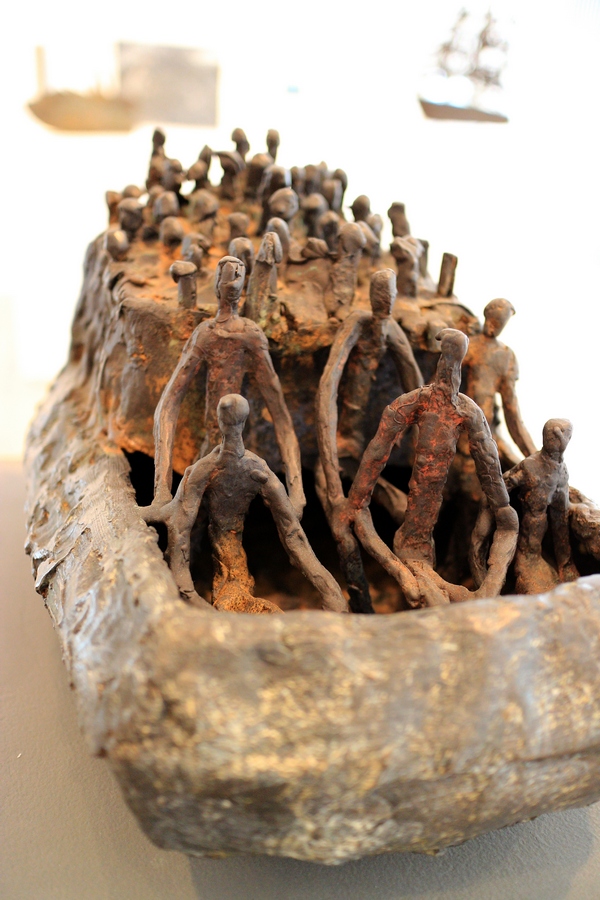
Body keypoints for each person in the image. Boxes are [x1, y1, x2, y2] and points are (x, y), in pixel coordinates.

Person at [343, 329, 518, 608]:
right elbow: (375, 454)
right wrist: (355, 503)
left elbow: (490, 468)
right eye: (447, 359)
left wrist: (504, 511)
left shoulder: (467, 411)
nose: (450, 369)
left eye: (454, 359)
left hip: (422, 537)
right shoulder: (416, 402)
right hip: (412, 538)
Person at [142, 394, 347, 614]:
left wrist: (188, 594)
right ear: (245, 422)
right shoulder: (256, 469)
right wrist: (331, 592)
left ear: (219, 421)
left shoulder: (204, 470)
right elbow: (294, 536)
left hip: (230, 571)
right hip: (229, 571)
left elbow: (180, 537)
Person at [151, 256, 305, 518]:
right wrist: (161, 490)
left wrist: (297, 491)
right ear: (217, 284)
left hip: (238, 454)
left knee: (226, 520)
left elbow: (280, 414)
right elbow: (168, 404)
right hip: (212, 450)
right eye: (229, 276)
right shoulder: (206, 334)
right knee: (193, 520)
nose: (234, 281)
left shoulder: (250, 334)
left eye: (238, 275)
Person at [315, 268, 423, 612]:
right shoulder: (359, 323)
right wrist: (328, 452)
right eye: (380, 294)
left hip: (368, 448)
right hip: (341, 443)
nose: (385, 302)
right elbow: (329, 382)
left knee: (402, 510)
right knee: (345, 523)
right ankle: (360, 599)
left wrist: (417, 434)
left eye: (389, 295)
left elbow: (415, 382)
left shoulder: (391, 329)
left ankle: (415, 583)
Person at [501, 418, 578, 593]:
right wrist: (501, 510)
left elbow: (561, 518)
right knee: (536, 522)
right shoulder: (530, 465)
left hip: (558, 499)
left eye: (563, 436)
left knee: (561, 524)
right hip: (532, 527)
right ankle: (530, 560)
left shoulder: (562, 469)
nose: (557, 440)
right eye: (552, 436)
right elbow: (504, 483)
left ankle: (565, 563)